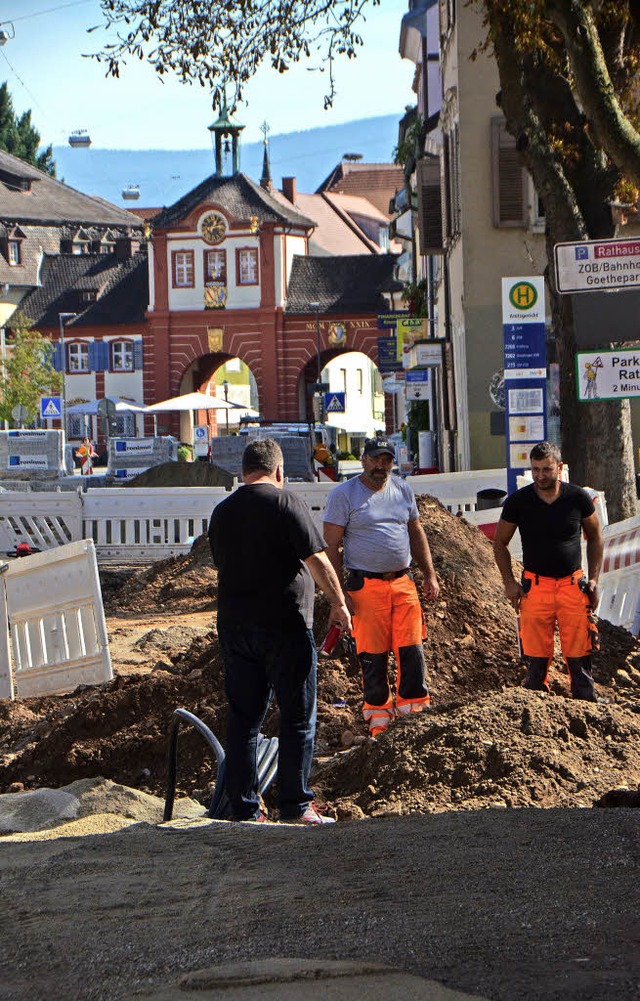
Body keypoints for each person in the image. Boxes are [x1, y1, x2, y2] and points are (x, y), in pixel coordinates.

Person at [208, 438, 351, 825]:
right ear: (279, 471)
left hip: (236, 628)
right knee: (297, 717)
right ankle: (295, 806)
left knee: (243, 720)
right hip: (285, 626)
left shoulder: (222, 512)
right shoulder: (287, 502)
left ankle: (243, 809)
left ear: (243, 472)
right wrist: (338, 604)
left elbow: (221, 562)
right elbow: (317, 558)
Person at [323, 436, 440, 737]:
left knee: (411, 647)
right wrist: (340, 595)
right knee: (372, 652)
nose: (380, 465)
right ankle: (378, 711)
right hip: (366, 586)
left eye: (386, 460)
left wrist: (429, 574)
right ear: (363, 460)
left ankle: (413, 706)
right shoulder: (344, 495)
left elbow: (415, 532)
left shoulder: (402, 489)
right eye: (375, 459)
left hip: (403, 582)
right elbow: (332, 547)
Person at [493, 441, 603, 702]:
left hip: (572, 587)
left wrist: (595, 579)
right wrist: (509, 582)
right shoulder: (519, 501)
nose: (541, 475)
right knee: (535, 659)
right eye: (535, 470)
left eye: (547, 469)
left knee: (579, 655)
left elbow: (596, 537)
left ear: (560, 468)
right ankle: (536, 712)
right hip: (535, 588)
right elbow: (499, 543)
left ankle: (586, 710)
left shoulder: (577, 498)